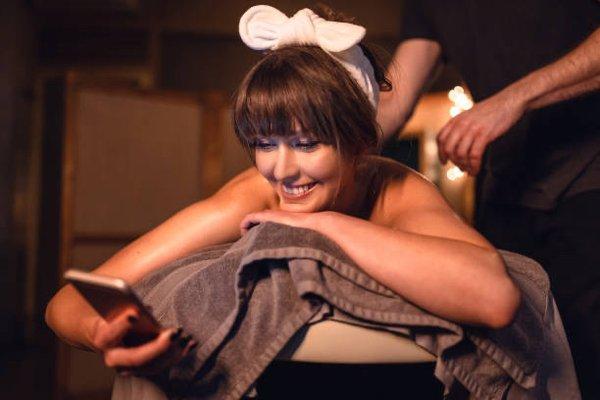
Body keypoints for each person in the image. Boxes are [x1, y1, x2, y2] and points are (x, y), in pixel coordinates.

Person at [45, 4, 520, 387]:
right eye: (264, 144)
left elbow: (495, 298)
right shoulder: (252, 194)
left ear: (359, 142)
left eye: (307, 143)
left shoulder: (399, 191)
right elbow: (67, 303)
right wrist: (102, 333)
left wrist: (321, 225)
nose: (282, 170)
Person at [376, 1, 599, 397]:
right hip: (504, 191)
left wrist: (515, 98)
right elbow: (394, 102)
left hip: (588, 182)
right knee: (507, 369)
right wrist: (316, 148)